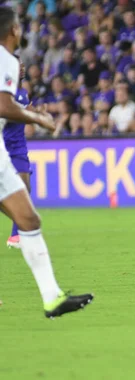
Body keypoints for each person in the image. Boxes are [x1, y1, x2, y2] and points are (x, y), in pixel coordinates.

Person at [0, 6, 93, 317]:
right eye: (18, 26)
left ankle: (52, 298)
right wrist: (37, 117)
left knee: (28, 220)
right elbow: (3, 106)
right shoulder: (5, 59)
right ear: (12, 30)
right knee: (28, 219)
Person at [4, 57, 30, 248]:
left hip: (19, 149)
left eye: (22, 66)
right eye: (18, 66)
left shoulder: (23, 93)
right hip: (4, 148)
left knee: (24, 190)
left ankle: (16, 236)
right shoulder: (7, 94)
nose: (21, 69)